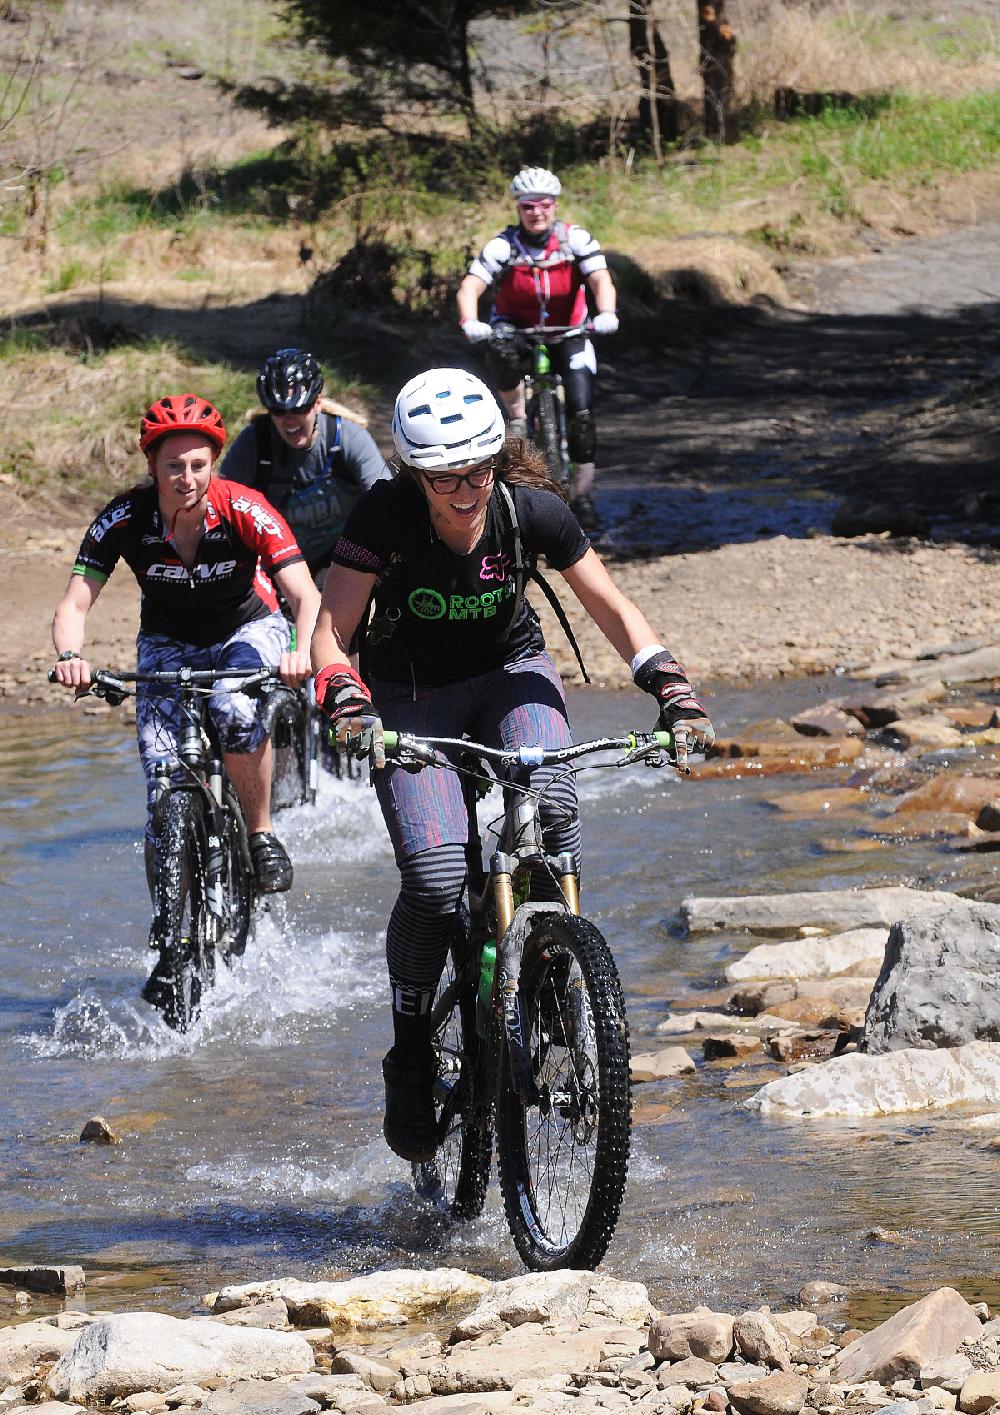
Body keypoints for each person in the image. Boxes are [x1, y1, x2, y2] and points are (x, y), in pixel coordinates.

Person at [310, 368, 714, 1164]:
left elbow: (610, 606)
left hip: (512, 674)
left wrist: (672, 686)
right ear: (414, 475)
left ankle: (554, 988)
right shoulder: (383, 516)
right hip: (411, 691)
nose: (465, 492)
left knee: (556, 807)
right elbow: (330, 630)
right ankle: (412, 1049)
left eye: (477, 471)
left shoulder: (531, 511)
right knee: (432, 876)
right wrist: (348, 703)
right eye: (444, 479)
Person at [51, 393, 320, 937]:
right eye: (173, 466)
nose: (186, 478)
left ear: (213, 464)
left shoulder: (246, 508)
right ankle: (170, 927)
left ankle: (261, 833)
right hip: (167, 639)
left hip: (248, 627)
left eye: (199, 465)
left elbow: (306, 597)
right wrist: (71, 658)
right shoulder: (123, 517)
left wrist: (299, 651)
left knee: (234, 708)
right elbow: (75, 602)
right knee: (161, 781)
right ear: (152, 466)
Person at [456, 165, 619, 533]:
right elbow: (471, 286)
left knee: (581, 415)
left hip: (570, 329)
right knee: (500, 350)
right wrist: (469, 321)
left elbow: (600, 278)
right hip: (517, 328)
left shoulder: (575, 239)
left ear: (555, 205)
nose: (536, 212)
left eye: (543, 205)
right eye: (528, 206)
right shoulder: (502, 245)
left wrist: (606, 312)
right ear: (518, 207)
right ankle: (516, 416)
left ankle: (585, 493)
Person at [220, 348, 391, 580]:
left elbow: (387, 501)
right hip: (274, 560)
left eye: (300, 408)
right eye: (279, 411)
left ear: (318, 403)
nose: (290, 419)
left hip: (338, 558)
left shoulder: (348, 438)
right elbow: (221, 508)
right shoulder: (254, 443)